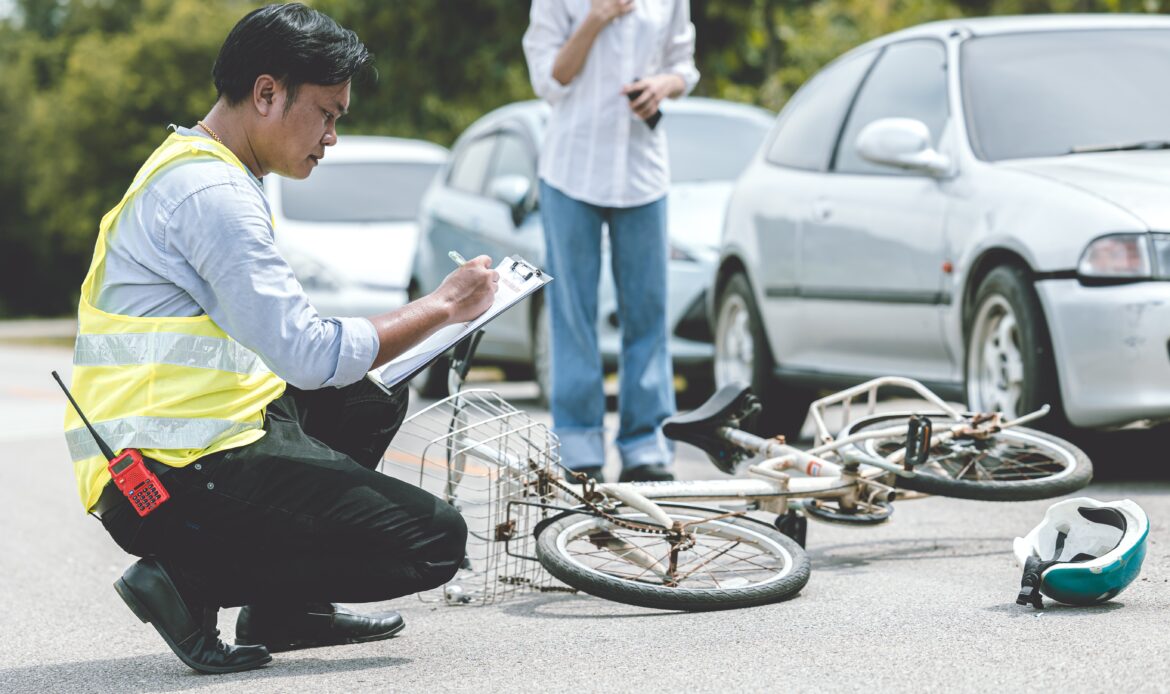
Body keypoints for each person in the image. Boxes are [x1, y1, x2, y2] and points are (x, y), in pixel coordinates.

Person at [62, 4, 498, 675]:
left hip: (188, 442)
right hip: (162, 474)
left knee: (365, 400)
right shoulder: (213, 193)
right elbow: (309, 353)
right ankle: (186, 578)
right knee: (434, 543)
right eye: (327, 114)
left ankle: (290, 610)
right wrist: (442, 306)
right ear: (268, 93)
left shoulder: (200, 167)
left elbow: (299, 352)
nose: (331, 137)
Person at [522, 0, 699, 483]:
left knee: (647, 311)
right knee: (573, 313)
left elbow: (685, 67)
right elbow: (549, 81)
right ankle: (578, 445)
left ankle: (646, 446)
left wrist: (663, 85)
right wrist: (597, 17)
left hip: (644, 174)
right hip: (571, 172)